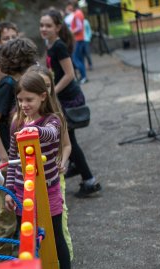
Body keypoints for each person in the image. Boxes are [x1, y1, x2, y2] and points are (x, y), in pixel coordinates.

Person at [5, 71, 75, 269]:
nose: (24, 105)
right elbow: (14, 157)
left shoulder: (51, 120)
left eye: (29, 100)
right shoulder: (16, 121)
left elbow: (52, 134)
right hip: (22, 192)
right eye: (20, 100)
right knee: (25, 238)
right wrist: (8, 190)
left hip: (48, 191)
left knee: (54, 237)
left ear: (43, 97)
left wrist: (33, 131)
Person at [0, 39, 38, 259]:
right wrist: (5, 156)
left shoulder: (21, 83)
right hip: (10, 157)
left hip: (21, 153)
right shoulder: (8, 85)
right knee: (6, 216)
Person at [40, 9, 101, 198]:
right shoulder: (50, 45)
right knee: (67, 140)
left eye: (48, 25)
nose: (44, 28)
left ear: (58, 27)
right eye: (42, 25)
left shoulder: (59, 46)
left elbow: (70, 75)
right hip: (61, 98)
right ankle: (78, 168)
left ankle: (89, 180)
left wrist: (52, 92)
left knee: (70, 141)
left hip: (70, 98)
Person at [28, 65, 74, 263]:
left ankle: (66, 265)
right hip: (32, 180)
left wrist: (62, 162)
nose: (44, 90)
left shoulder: (56, 117)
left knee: (59, 223)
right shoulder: (22, 117)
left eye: (47, 85)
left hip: (54, 176)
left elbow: (66, 146)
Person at [66, 1, 88, 84]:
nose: (68, 7)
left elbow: (79, 27)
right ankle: (83, 76)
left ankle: (83, 77)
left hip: (77, 39)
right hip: (80, 39)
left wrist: (71, 32)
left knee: (76, 59)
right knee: (80, 59)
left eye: (70, 5)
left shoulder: (77, 14)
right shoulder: (79, 13)